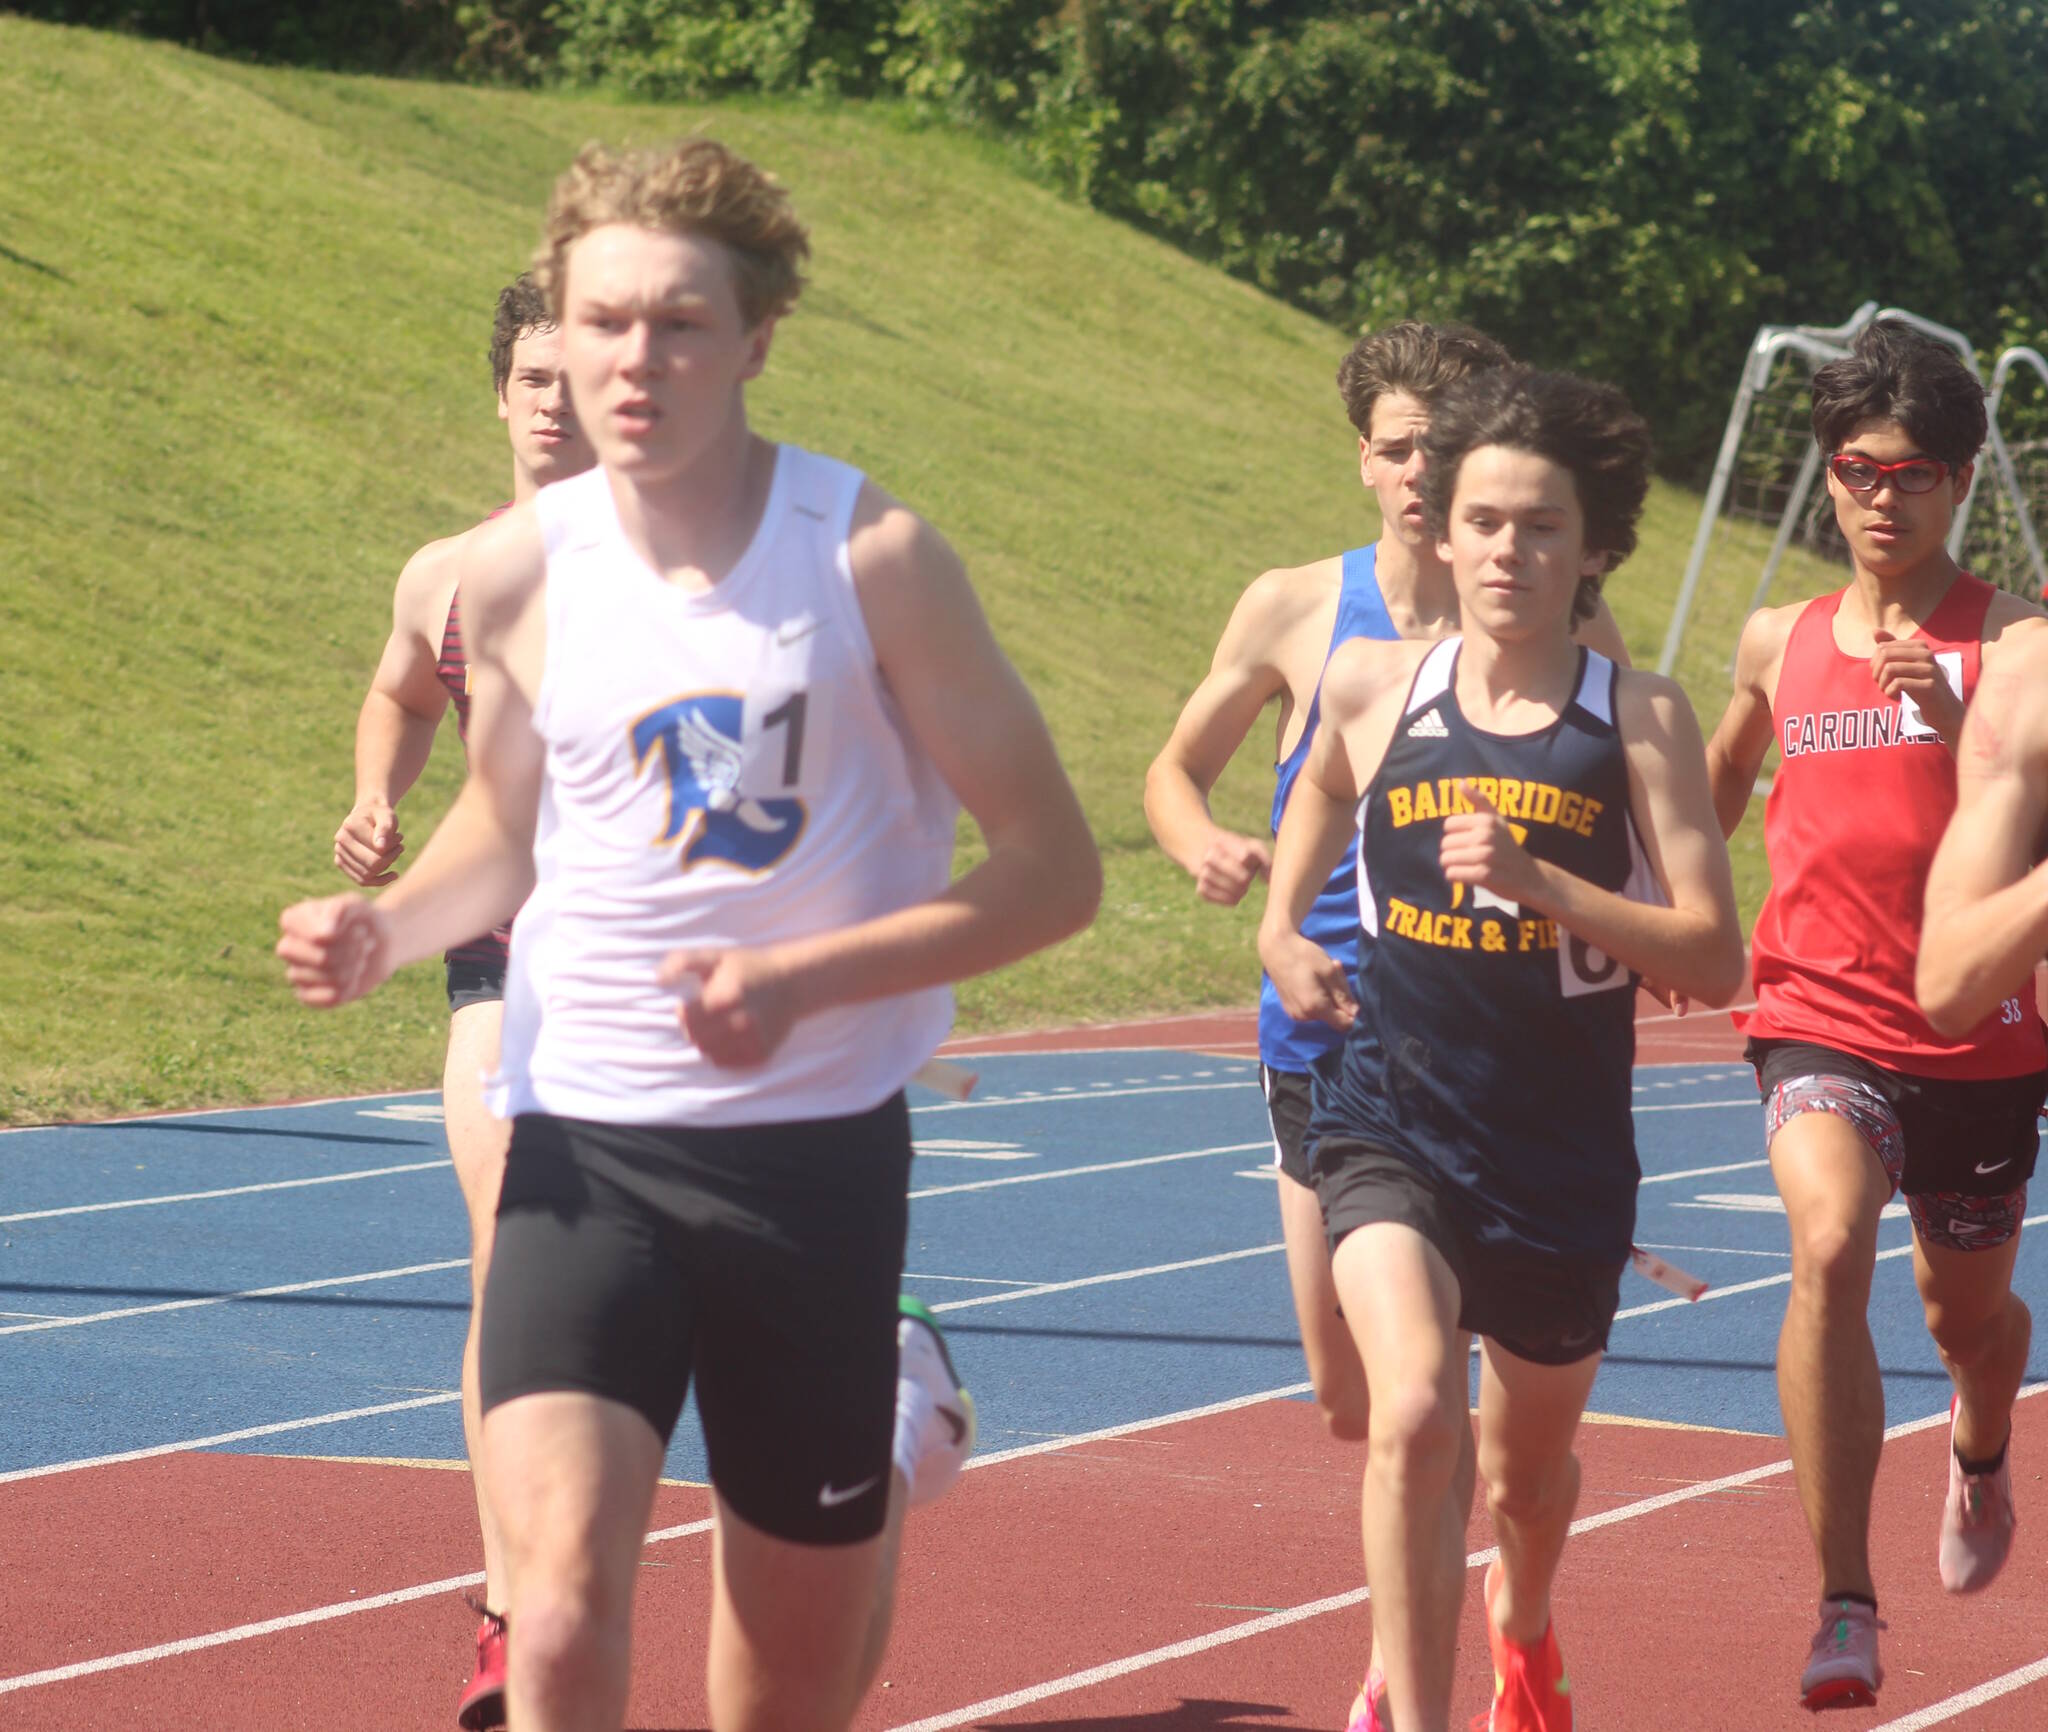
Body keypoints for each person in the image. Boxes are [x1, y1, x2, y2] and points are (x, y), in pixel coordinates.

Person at [280, 137, 1100, 1732]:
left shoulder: (873, 562)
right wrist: (386, 924)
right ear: (557, 334)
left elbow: (1054, 871)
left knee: (776, 1688)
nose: (632, 362)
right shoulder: (515, 578)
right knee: (565, 1602)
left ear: (758, 335)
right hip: (583, 1150)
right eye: (601, 323)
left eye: (676, 323)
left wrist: (804, 978)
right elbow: (503, 836)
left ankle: (895, 1386)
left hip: (807, 1162)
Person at [1143, 321, 1629, 1732]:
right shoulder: (1300, 608)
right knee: (1358, 1402)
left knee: (1436, 1416)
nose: (1420, 473)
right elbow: (1174, 769)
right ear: (1364, 460)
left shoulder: (1558, 623)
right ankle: (1434, 1584)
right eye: (1399, 446)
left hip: (1496, 1045)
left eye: (1444, 448)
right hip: (1325, 1040)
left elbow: (1621, 810)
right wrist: (1219, 863)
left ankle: (1423, 1652)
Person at [1258, 367, 1743, 1732]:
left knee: (1526, 1482)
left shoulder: (1637, 718)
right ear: (1442, 532)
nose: (1506, 552)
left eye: (1540, 527)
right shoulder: (1373, 684)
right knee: (1411, 1410)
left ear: (1594, 547)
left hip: (1559, 1162)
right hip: (1388, 1121)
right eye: (1482, 522)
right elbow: (1321, 796)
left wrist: (1553, 890)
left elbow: (1715, 953)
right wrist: (1283, 937)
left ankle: (1521, 1621)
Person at [1704, 318, 2048, 1710]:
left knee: (1965, 1316)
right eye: (1856, 469)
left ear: (1962, 481)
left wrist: (1957, 715)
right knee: (1829, 1243)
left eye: (1911, 473)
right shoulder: (1776, 638)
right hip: (1816, 1015)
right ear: (1827, 476)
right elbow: (1708, 794)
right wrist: (1646, 914)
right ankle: (1845, 1600)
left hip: (1977, 1045)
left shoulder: (2018, 645)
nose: (1880, 499)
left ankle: (1978, 1437)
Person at [330, 273, 594, 1729]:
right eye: (534, 378)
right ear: (500, 395)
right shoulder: (444, 574)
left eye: (581, 374)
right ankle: (509, 1613)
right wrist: (377, 800)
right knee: (511, 1274)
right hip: (502, 965)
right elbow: (399, 695)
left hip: (664, 980)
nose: (556, 401)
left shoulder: (683, 562)